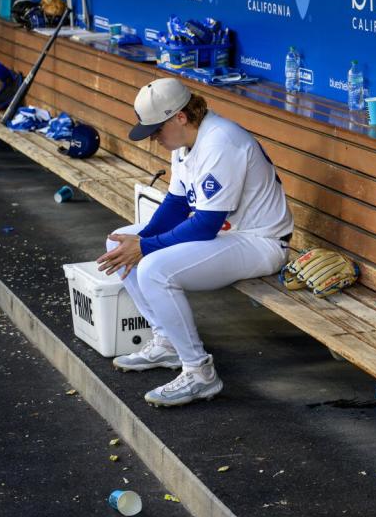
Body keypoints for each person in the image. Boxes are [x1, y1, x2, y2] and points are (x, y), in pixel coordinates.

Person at [97, 78, 293, 407]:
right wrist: (140, 240)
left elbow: (204, 225)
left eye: (157, 130)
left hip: (261, 241)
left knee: (154, 270)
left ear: (180, 117)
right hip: (228, 235)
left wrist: (145, 247)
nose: (155, 138)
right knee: (117, 243)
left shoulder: (221, 142)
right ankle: (168, 341)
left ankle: (199, 372)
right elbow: (176, 204)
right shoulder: (186, 140)